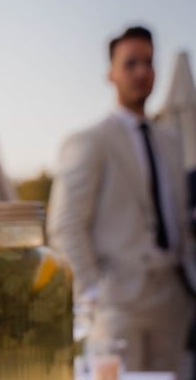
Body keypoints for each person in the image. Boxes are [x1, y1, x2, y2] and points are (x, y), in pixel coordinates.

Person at [48, 26, 196, 375]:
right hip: (117, 304)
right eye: (130, 63)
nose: (141, 71)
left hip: (174, 298)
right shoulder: (90, 141)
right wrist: (94, 294)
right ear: (111, 74)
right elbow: (65, 225)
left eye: (147, 62)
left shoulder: (172, 141)